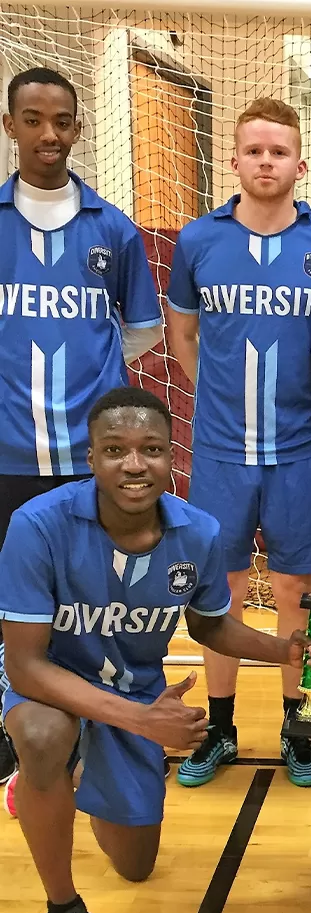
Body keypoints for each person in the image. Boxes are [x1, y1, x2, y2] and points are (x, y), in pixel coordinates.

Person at [0, 386, 311, 913]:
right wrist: (138, 720)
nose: (134, 464)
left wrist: (281, 649)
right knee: (45, 736)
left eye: (150, 449)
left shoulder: (197, 532)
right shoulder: (38, 525)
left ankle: (53, 779)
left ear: (170, 454)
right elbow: (23, 667)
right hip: (53, 683)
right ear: (92, 457)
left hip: (135, 688)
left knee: (136, 867)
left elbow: (208, 624)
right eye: (115, 450)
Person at [167, 98, 311, 789]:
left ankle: (297, 726)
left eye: (279, 151)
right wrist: (214, 399)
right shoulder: (197, 241)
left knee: (298, 593)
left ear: (301, 163)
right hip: (219, 454)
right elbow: (183, 335)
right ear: (235, 159)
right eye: (254, 150)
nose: (266, 161)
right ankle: (219, 727)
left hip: (299, 451)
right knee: (222, 594)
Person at [0, 66, 162, 780]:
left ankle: (113, 730)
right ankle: (18, 731)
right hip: (6, 457)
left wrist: (86, 381)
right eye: (32, 120)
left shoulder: (113, 229)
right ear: (10, 127)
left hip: (86, 458)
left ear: (77, 128)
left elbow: (142, 332)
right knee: (10, 603)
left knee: (97, 602)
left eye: (61, 121)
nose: (48, 134)